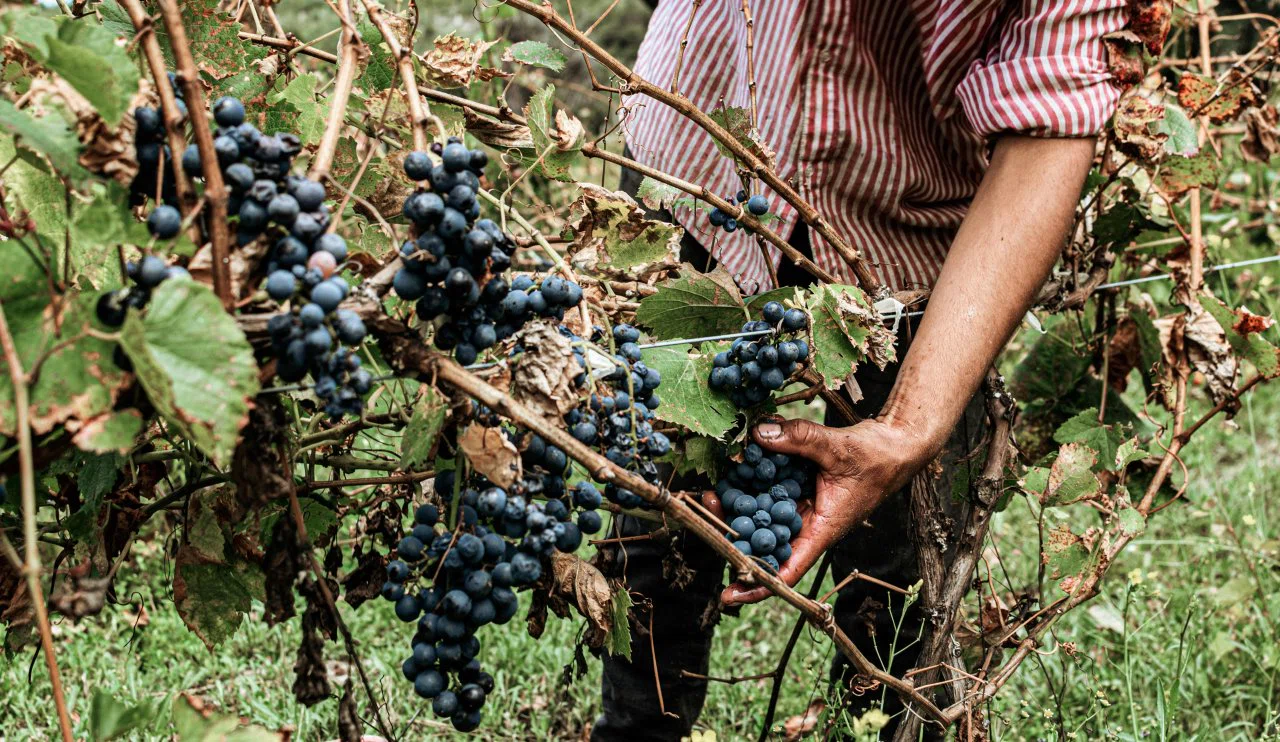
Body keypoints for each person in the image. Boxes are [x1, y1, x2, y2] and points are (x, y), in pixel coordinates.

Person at [591, 2, 1130, 740]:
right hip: (689, 189)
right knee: (658, 540)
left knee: (899, 602)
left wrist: (909, 424)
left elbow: (1049, 122)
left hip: (908, 269)